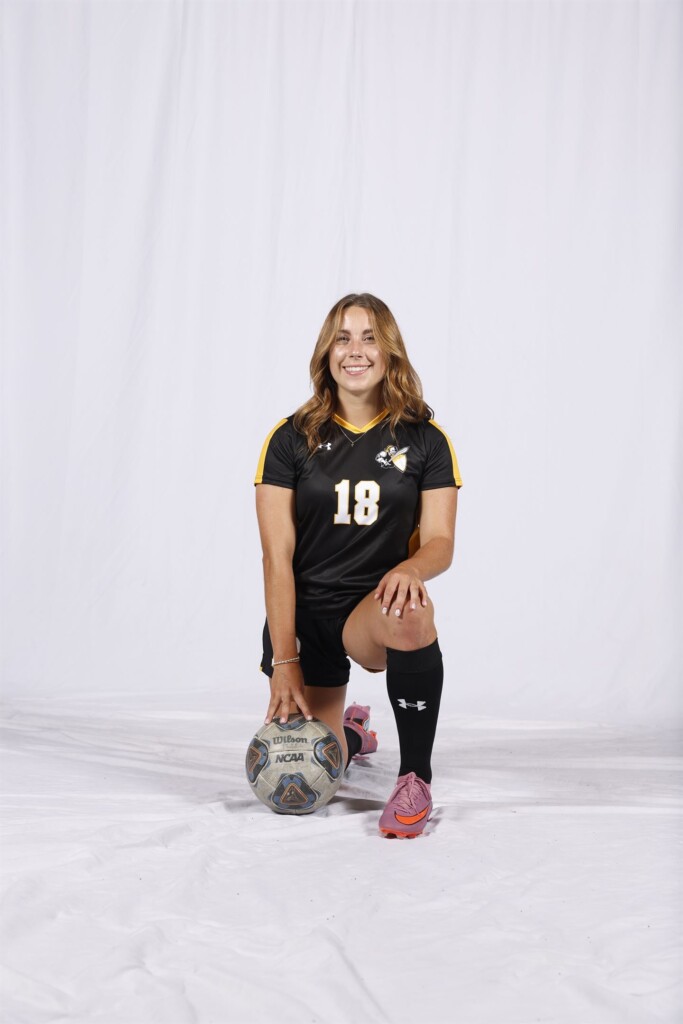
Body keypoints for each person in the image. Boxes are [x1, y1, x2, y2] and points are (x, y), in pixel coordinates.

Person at [254, 293, 462, 837]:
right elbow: (275, 557)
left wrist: (412, 569)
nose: (355, 350)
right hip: (305, 617)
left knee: (413, 610)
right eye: (342, 338)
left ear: (389, 350)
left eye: (369, 337)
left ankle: (415, 776)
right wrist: (284, 660)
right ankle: (352, 734)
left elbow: (440, 542)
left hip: (373, 611)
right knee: (305, 782)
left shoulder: (425, 439)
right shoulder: (289, 439)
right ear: (326, 352)